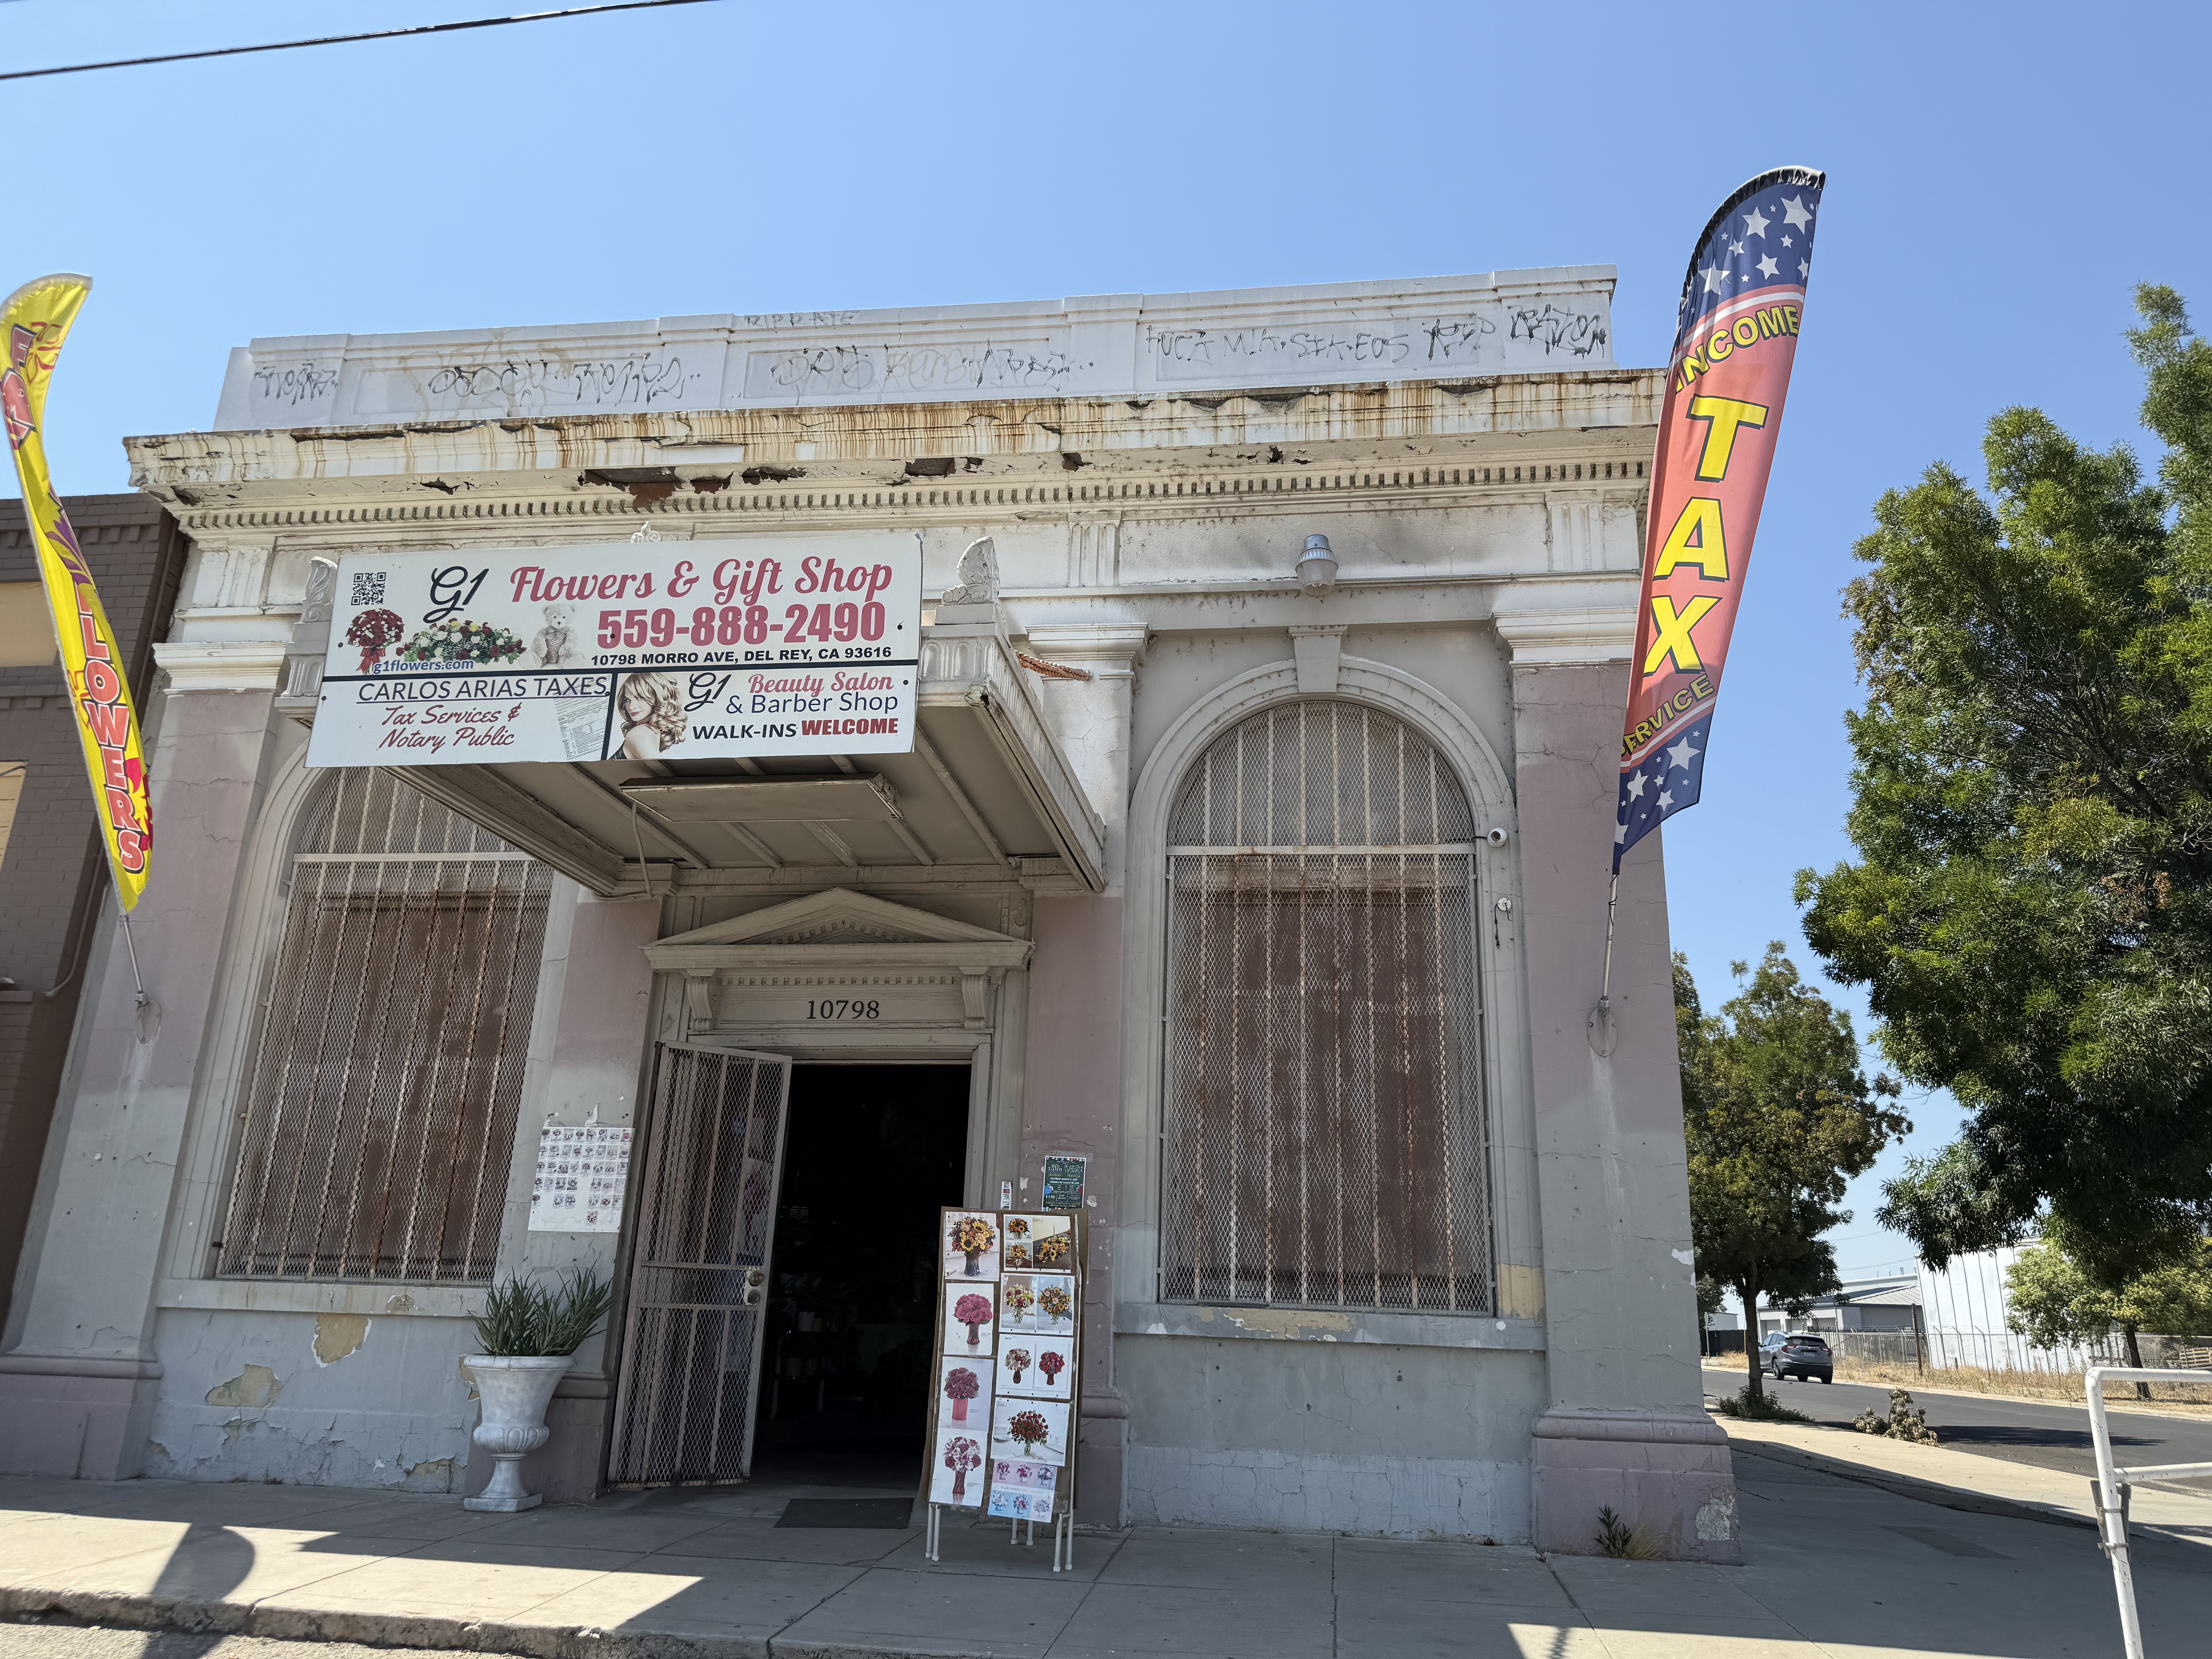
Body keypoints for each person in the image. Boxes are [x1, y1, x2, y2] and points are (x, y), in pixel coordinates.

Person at [617, 673, 685, 758]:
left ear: (657, 697)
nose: (631, 707)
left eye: (639, 698)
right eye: (628, 700)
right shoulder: (647, 732)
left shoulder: (639, 733)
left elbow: (662, 771)